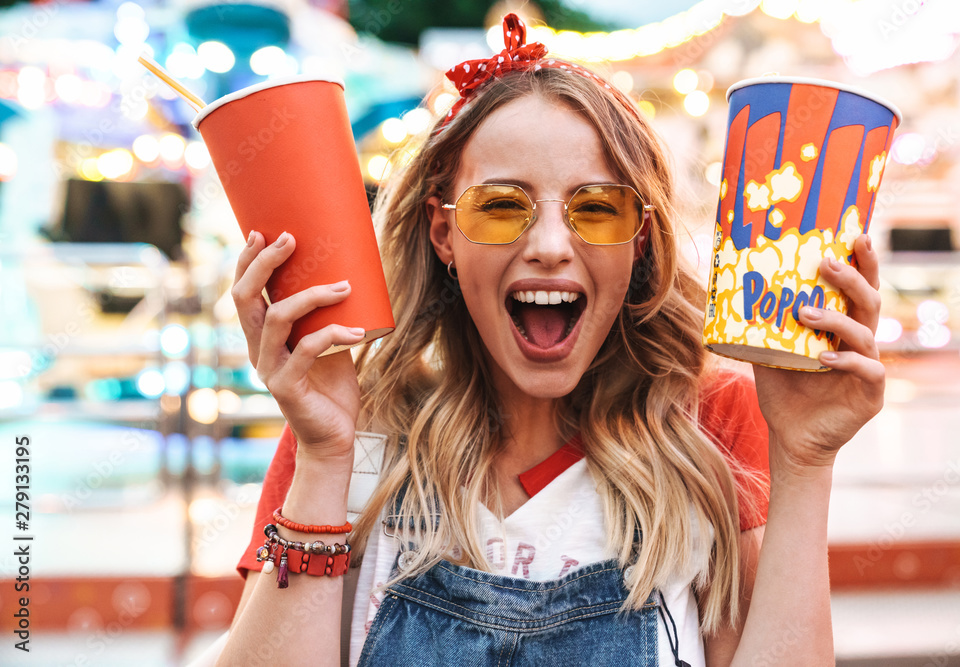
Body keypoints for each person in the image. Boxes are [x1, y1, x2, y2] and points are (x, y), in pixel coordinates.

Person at [212, 14, 884, 666]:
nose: (552, 247)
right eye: (502, 205)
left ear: (640, 237)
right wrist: (325, 457)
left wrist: (806, 460)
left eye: (598, 207)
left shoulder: (713, 422)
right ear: (443, 233)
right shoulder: (347, 431)